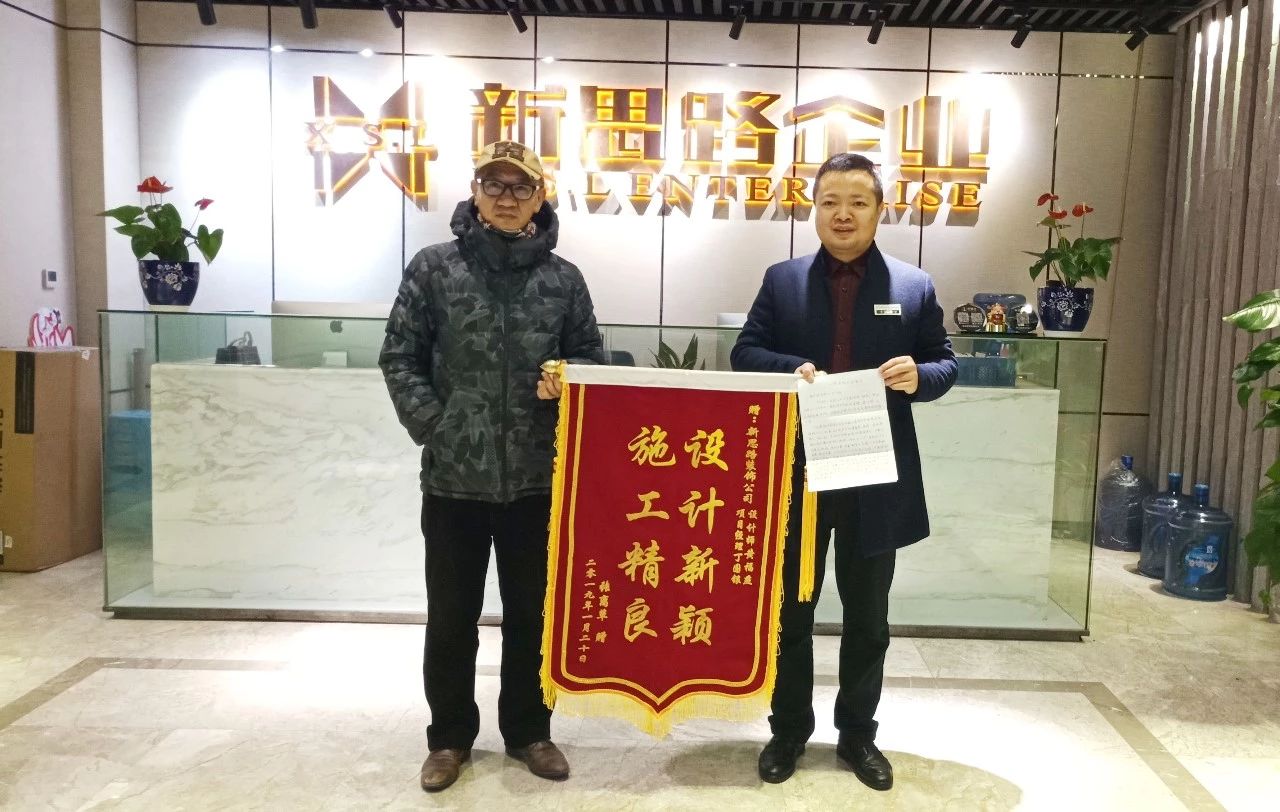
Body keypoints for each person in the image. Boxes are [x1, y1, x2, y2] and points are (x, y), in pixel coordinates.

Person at [380, 140, 606, 793]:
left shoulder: (563, 280)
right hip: (454, 480)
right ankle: (449, 738)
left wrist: (569, 382)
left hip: (538, 478)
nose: (507, 197)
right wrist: (437, 427)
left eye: (520, 186)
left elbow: (592, 362)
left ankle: (530, 731)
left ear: (540, 196)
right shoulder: (434, 269)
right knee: (451, 617)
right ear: (476, 192)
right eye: (495, 185)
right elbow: (399, 357)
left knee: (534, 616)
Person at [730, 153, 957, 791]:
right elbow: (745, 351)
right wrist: (790, 370)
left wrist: (919, 376)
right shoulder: (782, 280)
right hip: (796, 473)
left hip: (874, 474)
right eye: (830, 201)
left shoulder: (913, 286)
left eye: (858, 201)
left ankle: (857, 734)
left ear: (880, 211)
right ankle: (788, 731)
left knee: (868, 618)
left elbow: (945, 363)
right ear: (815, 209)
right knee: (790, 612)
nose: (843, 214)